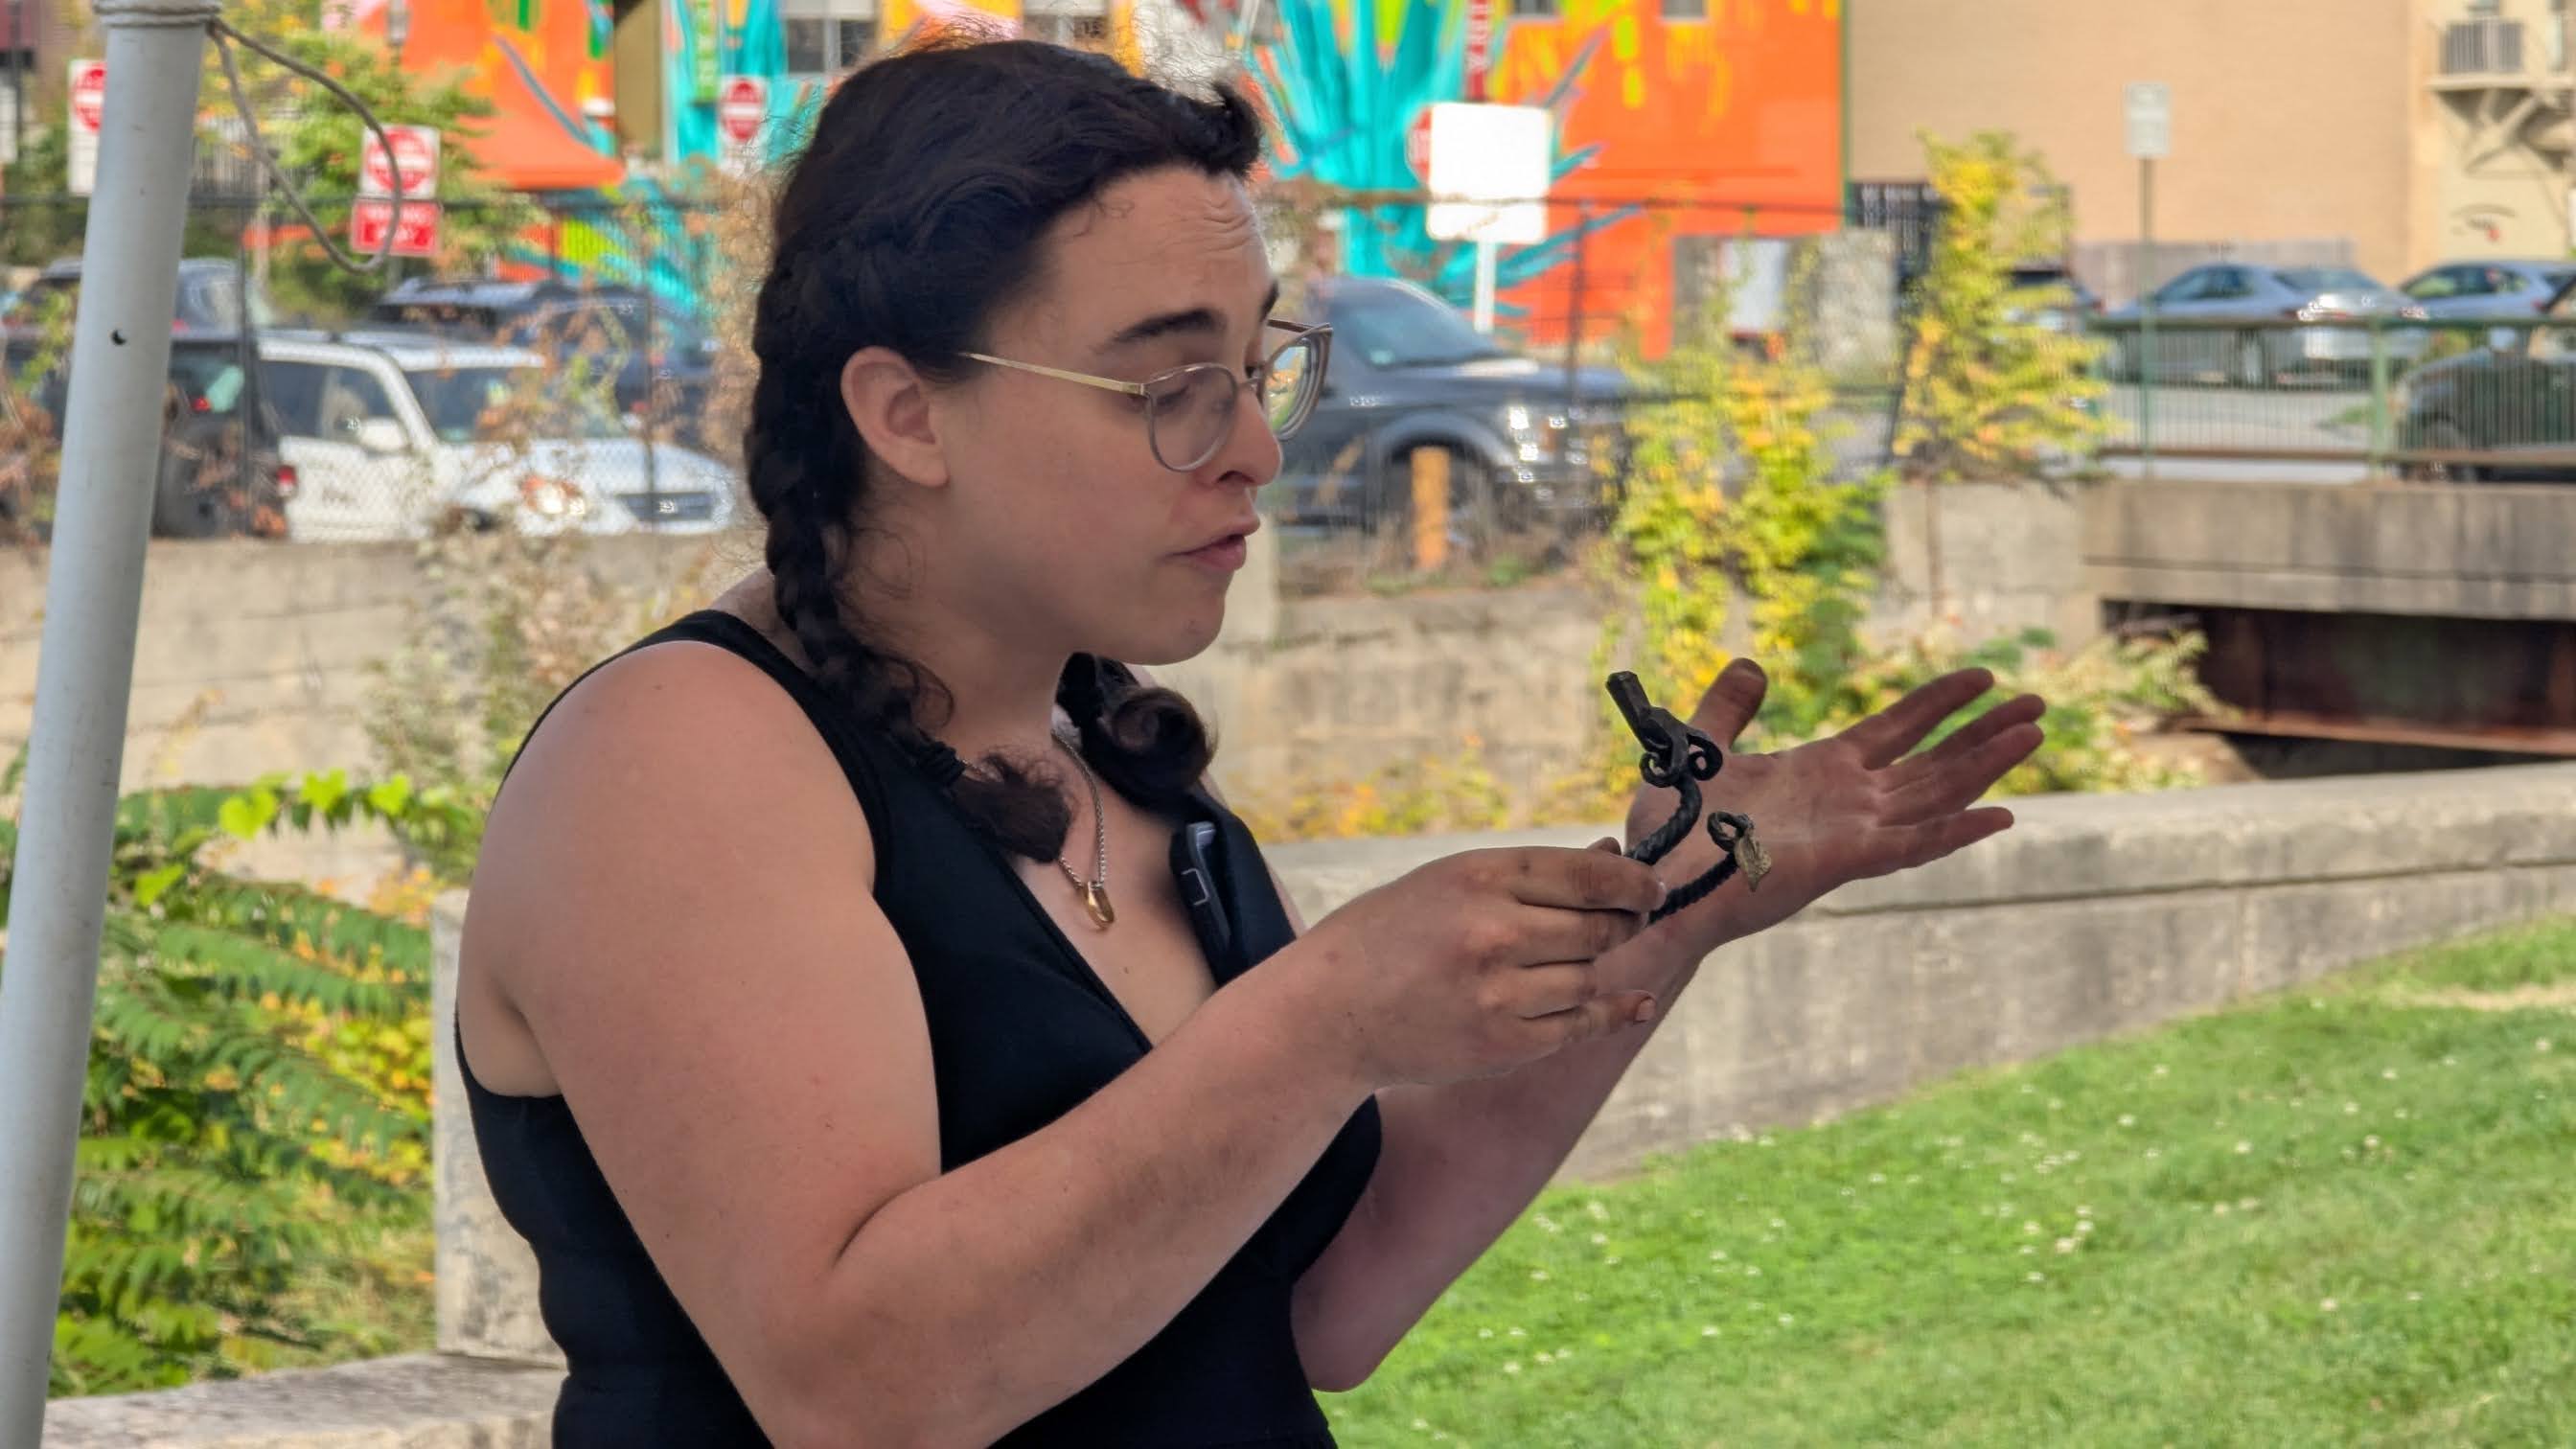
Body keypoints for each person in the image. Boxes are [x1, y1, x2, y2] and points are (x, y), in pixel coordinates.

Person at [453, 35, 2047, 1448]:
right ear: (907, 414)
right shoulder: (680, 760)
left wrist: (1669, 905)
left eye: (1258, 368)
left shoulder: (1115, 757)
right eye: (1170, 384)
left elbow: (1323, 1305)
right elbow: (861, 1391)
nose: (1257, 451)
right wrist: (1324, 1015)